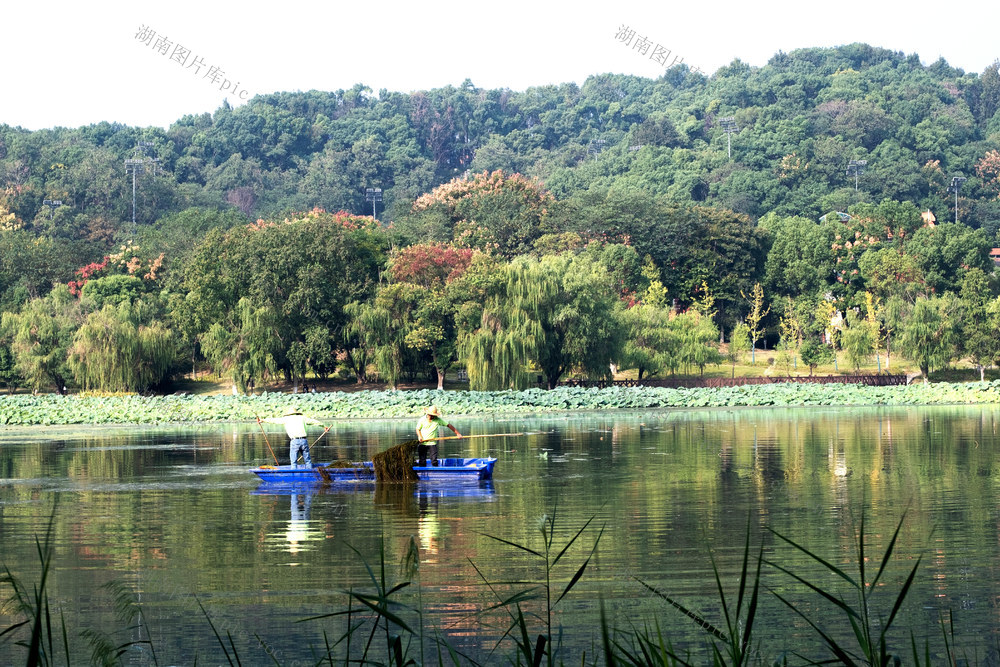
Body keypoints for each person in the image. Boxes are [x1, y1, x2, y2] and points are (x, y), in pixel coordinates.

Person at [258, 406, 327, 468]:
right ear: (296, 413)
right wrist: (324, 426)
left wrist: (263, 420)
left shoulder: (286, 419)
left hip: (294, 441)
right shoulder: (302, 418)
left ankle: (294, 475)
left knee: (294, 462)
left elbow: (274, 420)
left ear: (289, 414)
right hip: (304, 441)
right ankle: (310, 473)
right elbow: (314, 421)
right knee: (308, 461)